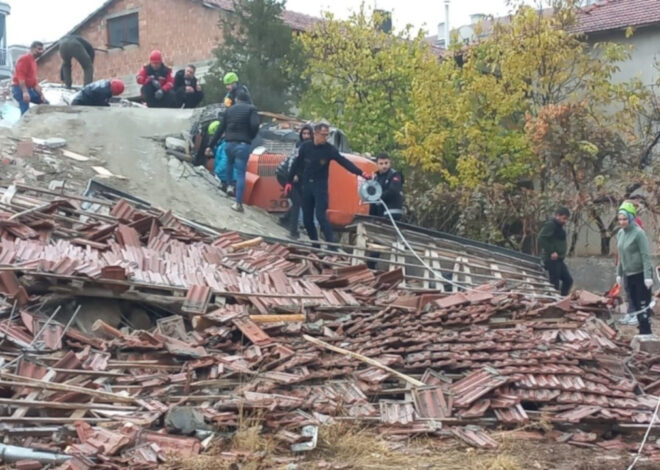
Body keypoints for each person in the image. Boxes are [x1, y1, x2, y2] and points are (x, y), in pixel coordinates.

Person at [286, 121, 371, 249]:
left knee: (321, 216)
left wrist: (361, 173)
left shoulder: (329, 150)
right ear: (315, 134)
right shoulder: (305, 147)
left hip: (320, 186)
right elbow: (295, 164)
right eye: (323, 135)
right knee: (307, 220)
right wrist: (289, 181)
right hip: (306, 185)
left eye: (327, 135)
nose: (325, 138)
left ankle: (332, 246)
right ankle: (315, 244)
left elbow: (345, 162)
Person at [206, 90, 259, 212]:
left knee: (229, 163)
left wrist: (210, 145)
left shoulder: (229, 110)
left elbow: (220, 129)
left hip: (229, 143)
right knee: (241, 173)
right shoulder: (251, 109)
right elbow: (255, 125)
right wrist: (250, 136)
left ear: (236, 99)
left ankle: (229, 186)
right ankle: (238, 204)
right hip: (243, 145)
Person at [616, 204, 653, 335]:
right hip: (628, 273)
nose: (622, 222)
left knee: (643, 305)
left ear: (631, 218)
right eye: (620, 219)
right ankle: (641, 332)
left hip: (640, 273)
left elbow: (645, 255)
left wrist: (647, 276)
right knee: (634, 304)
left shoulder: (639, 233)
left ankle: (646, 332)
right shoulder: (620, 233)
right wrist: (619, 273)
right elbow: (620, 254)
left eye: (624, 219)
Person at [277, 124, 313, 238]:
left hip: (296, 177)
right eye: (304, 133)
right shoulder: (300, 146)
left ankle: (284, 219)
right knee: (297, 202)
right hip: (285, 174)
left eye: (308, 134)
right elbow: (293, 161)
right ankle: (293, 232)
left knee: (300, 200)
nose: (306, 136)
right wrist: (293, 176)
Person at [538, 207, 573, 296]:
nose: (565, 221)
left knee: (568, 280)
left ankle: (563, 300)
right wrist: (552, 251)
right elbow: (541, 238)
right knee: (554, 284)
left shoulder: (558, 227)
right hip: (552, 259)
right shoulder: (551, 224)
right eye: (564, 218)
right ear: (558, 215)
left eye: (566, 219)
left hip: (559, 259)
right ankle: (553, 303)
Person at [11, 41, 48, 115]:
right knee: (25, 111)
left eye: (42, 49)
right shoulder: (24, 59)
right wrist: (25, 92)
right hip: (19, 89)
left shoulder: (33, 62)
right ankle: (23, 125)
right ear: (32, 48)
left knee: (45, 103)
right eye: (39, 49)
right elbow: (20, 76)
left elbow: (34, 82)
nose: (41, 51)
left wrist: (41, 95)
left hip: (29, 89)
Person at [369, 152, 404, 220]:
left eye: (386, 163)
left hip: (391, 211)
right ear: (377, 164)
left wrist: (378, 197)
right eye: (381, 164)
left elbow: (393, 191)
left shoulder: (395, 175)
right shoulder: (376, 178)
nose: (384, 166)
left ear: (390, 163)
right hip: (379, 212)